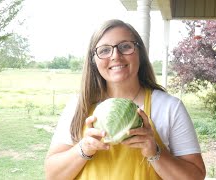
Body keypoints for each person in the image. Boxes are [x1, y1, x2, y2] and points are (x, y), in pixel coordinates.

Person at [44, 19, 206, 180]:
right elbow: (52, 175)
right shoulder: (78, 106)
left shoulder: (169, 107)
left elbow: (196, 177)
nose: (116, 56)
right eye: (104, 50)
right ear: (93, 60)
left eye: (125, 47)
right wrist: (83, 148)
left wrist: (155, 153)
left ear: (140, 53)